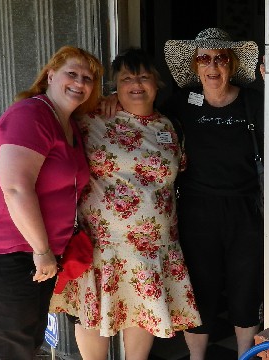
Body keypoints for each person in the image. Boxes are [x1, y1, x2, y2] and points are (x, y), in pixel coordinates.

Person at [49, 48, 200, 360]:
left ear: (157, 84)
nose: (136, 84)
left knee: (141, 311)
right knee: (92, 314)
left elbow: (179, 170)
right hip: (103, 244)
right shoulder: (90, 120)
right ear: (114, 86)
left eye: (144, 77)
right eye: (127, 78)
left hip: (153, 246)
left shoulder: (170, 127)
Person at [0, 46, 103, 359]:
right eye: (71, 74)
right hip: (1, 250)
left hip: (33, 251)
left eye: (87, 78)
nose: (79, 82)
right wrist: (43, 250)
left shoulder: (69, 122)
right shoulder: (31, 114)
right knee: (6, 349)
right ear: (50, 75)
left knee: (27, 341)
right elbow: (16, 188)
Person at [162, 28, 264, 360]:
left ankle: (245, 355)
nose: (212, 65)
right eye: (204, 58)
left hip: (245, 209)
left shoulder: (254, 102)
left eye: (220, 58)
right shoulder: (179, 103)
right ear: (195, 67)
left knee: (245, 287)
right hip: (196, 210)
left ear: (232, 64)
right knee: (200, 289)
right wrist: (108, 101)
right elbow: (139, 108)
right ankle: (196, 358)